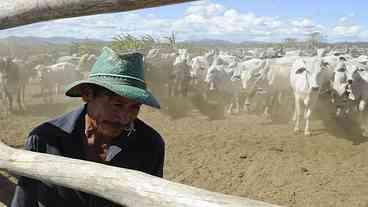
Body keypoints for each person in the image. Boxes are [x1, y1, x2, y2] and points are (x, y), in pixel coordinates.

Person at [11, 47, 165, 207]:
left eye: (135, 107)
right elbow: (24, 202)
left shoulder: (150, 145)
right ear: (87, 94)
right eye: (117, 104)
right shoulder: (44, 140)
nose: (125, 119)